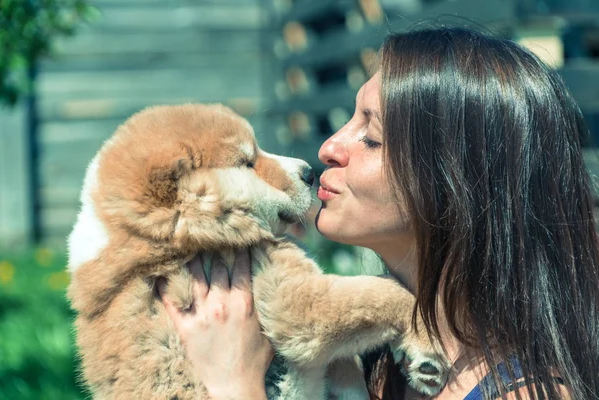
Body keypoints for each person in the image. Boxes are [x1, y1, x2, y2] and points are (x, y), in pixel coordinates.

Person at [160, 26, 599, 399]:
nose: (328, 148)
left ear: (454, 182)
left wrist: (234, 382)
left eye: (370, 137)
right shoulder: (374, 361)